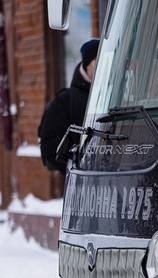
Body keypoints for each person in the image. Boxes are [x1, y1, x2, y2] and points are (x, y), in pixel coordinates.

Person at [39, 38, 99, 176]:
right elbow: (50, 146)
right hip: (82, 182)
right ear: (86, 64)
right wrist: (75, 169)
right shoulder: (66, 100)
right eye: (97, 59)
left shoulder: (118, 95)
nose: (103, 64)